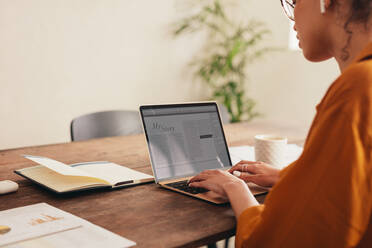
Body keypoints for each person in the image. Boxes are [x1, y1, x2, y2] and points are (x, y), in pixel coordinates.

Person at [188, 0, 372, 246]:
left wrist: (235, 187)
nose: (292, 17)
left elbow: (280, 240)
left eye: (293, 2)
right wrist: (289, 177)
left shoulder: (360, 88)